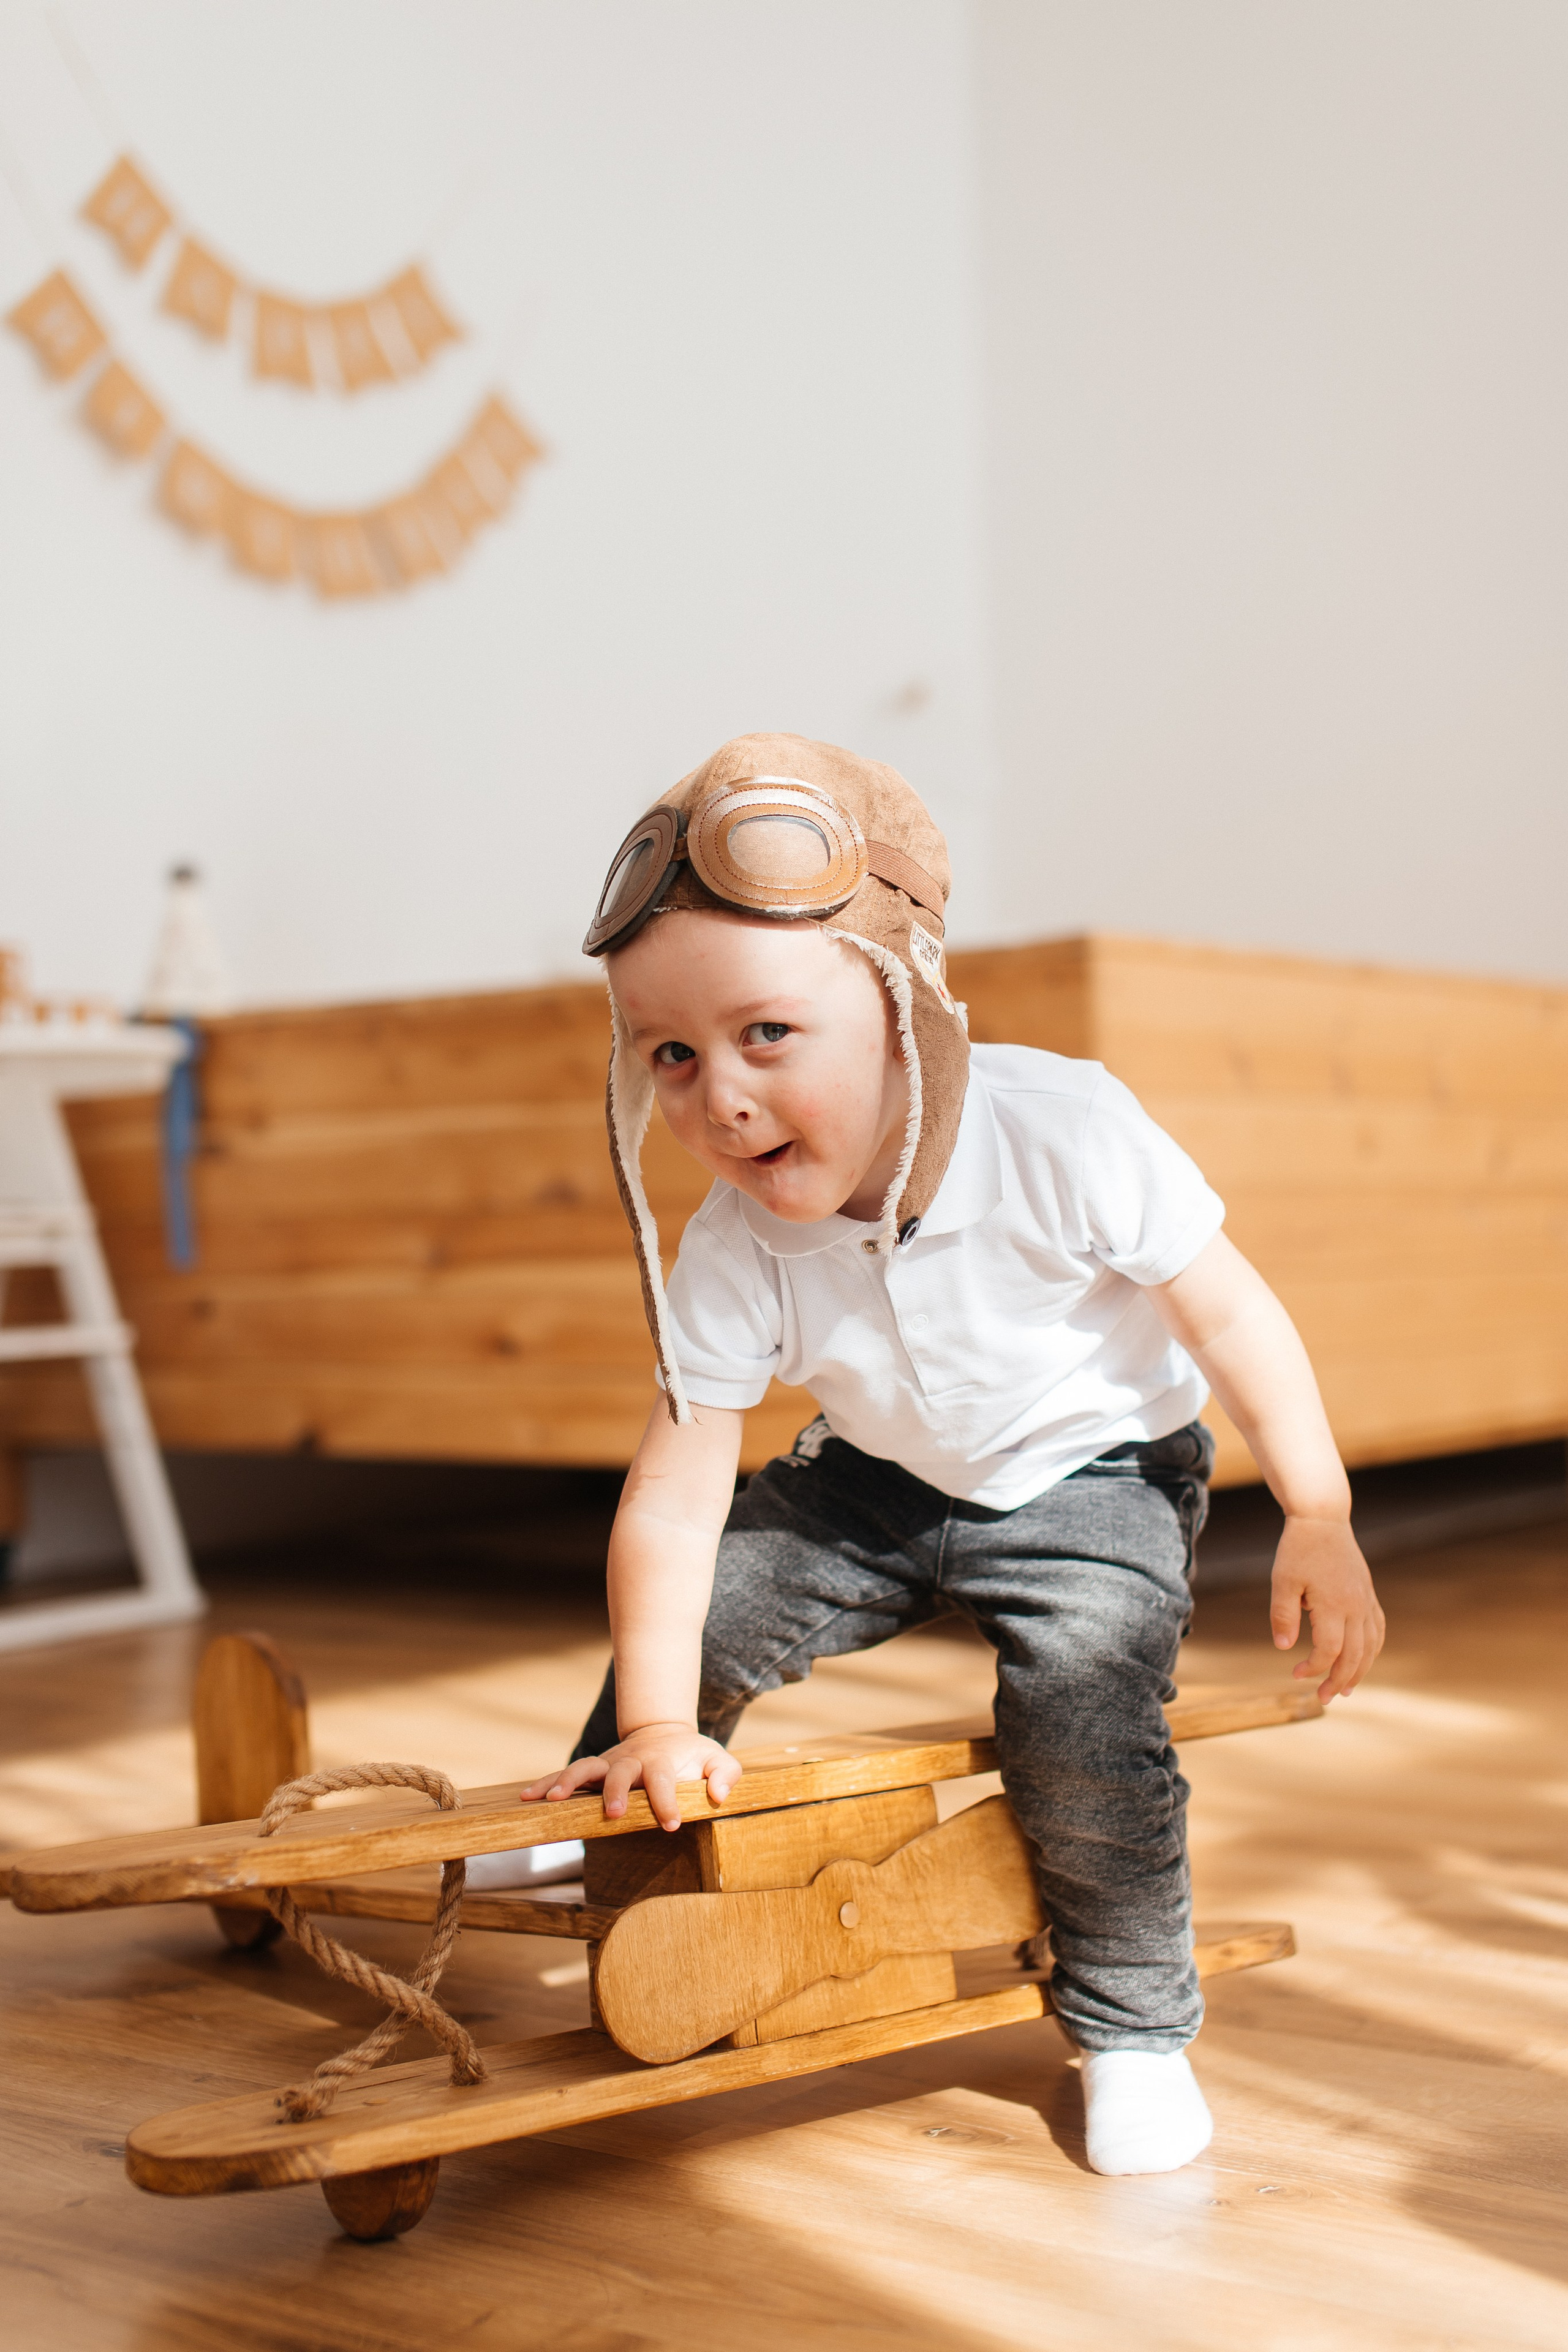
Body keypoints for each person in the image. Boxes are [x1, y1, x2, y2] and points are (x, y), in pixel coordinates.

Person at [521, 733, 1385, 2176]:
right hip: (874, 1477)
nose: (715, 1096)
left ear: (904, 1006)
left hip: (1093, 1474)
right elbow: (674, 1499)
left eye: (764, 1036)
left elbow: (1229, 1314)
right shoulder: (732, 1243)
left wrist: (1317, 1508)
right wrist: (658, 1722)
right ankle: (611, 1810)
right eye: (667, 1056)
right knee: (711, 1613)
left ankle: (1129, 2028)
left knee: (1081, 1718)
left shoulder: (1062, 1129)